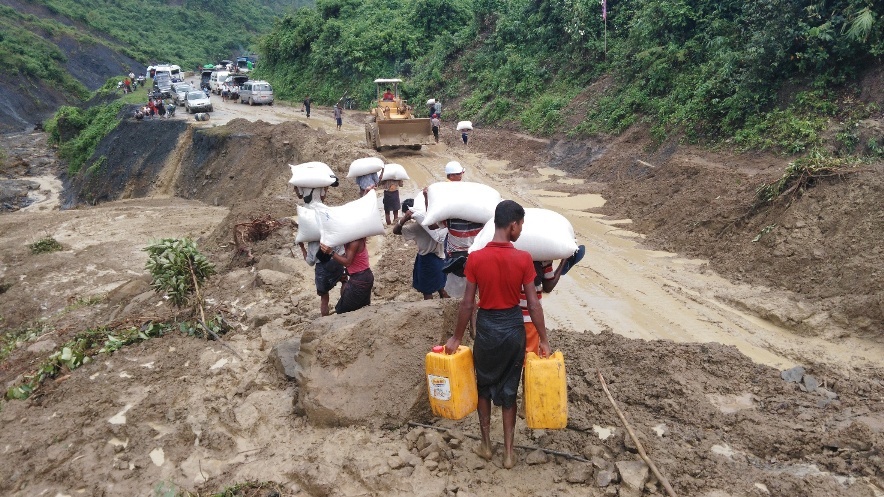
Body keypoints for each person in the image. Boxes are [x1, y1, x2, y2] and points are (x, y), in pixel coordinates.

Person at [444, 200, 550, 470]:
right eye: (521, 226)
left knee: (484, 386)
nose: (521, 232)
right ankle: (509, 454)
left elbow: (467, 303)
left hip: (488, 330)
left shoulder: (476, 258)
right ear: (512, 225)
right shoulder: (523, 259)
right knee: (509, 391)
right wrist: (544, 340)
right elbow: (534, 304)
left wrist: (456, 337)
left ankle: (486, 446)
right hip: (514, 329)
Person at [393, 199, 449, 299]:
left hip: (426, 261)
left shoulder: (416, 228)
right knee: (442, 287)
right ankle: (445, 308)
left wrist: (404, 219)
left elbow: (396, 231)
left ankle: (430, 313)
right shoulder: (439, 223)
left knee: (427, 291)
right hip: (441, 258)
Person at [321, 237, 373, 314]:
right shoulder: (351, 241)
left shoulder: (354, 242)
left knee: (343, 311)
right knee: (361, 309)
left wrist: (331, 252)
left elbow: (347, 262)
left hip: (360, 279)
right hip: (362, 277)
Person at [300, 240, 346, 316]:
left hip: (321, 269)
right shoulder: (332, 234)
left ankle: (325, 319)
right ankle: (345, 306)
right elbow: (342, 252)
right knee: (344, 281)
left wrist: (302, 247)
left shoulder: (312, 241)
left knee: (324, 297)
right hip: (336, 262)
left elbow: (310, 262)